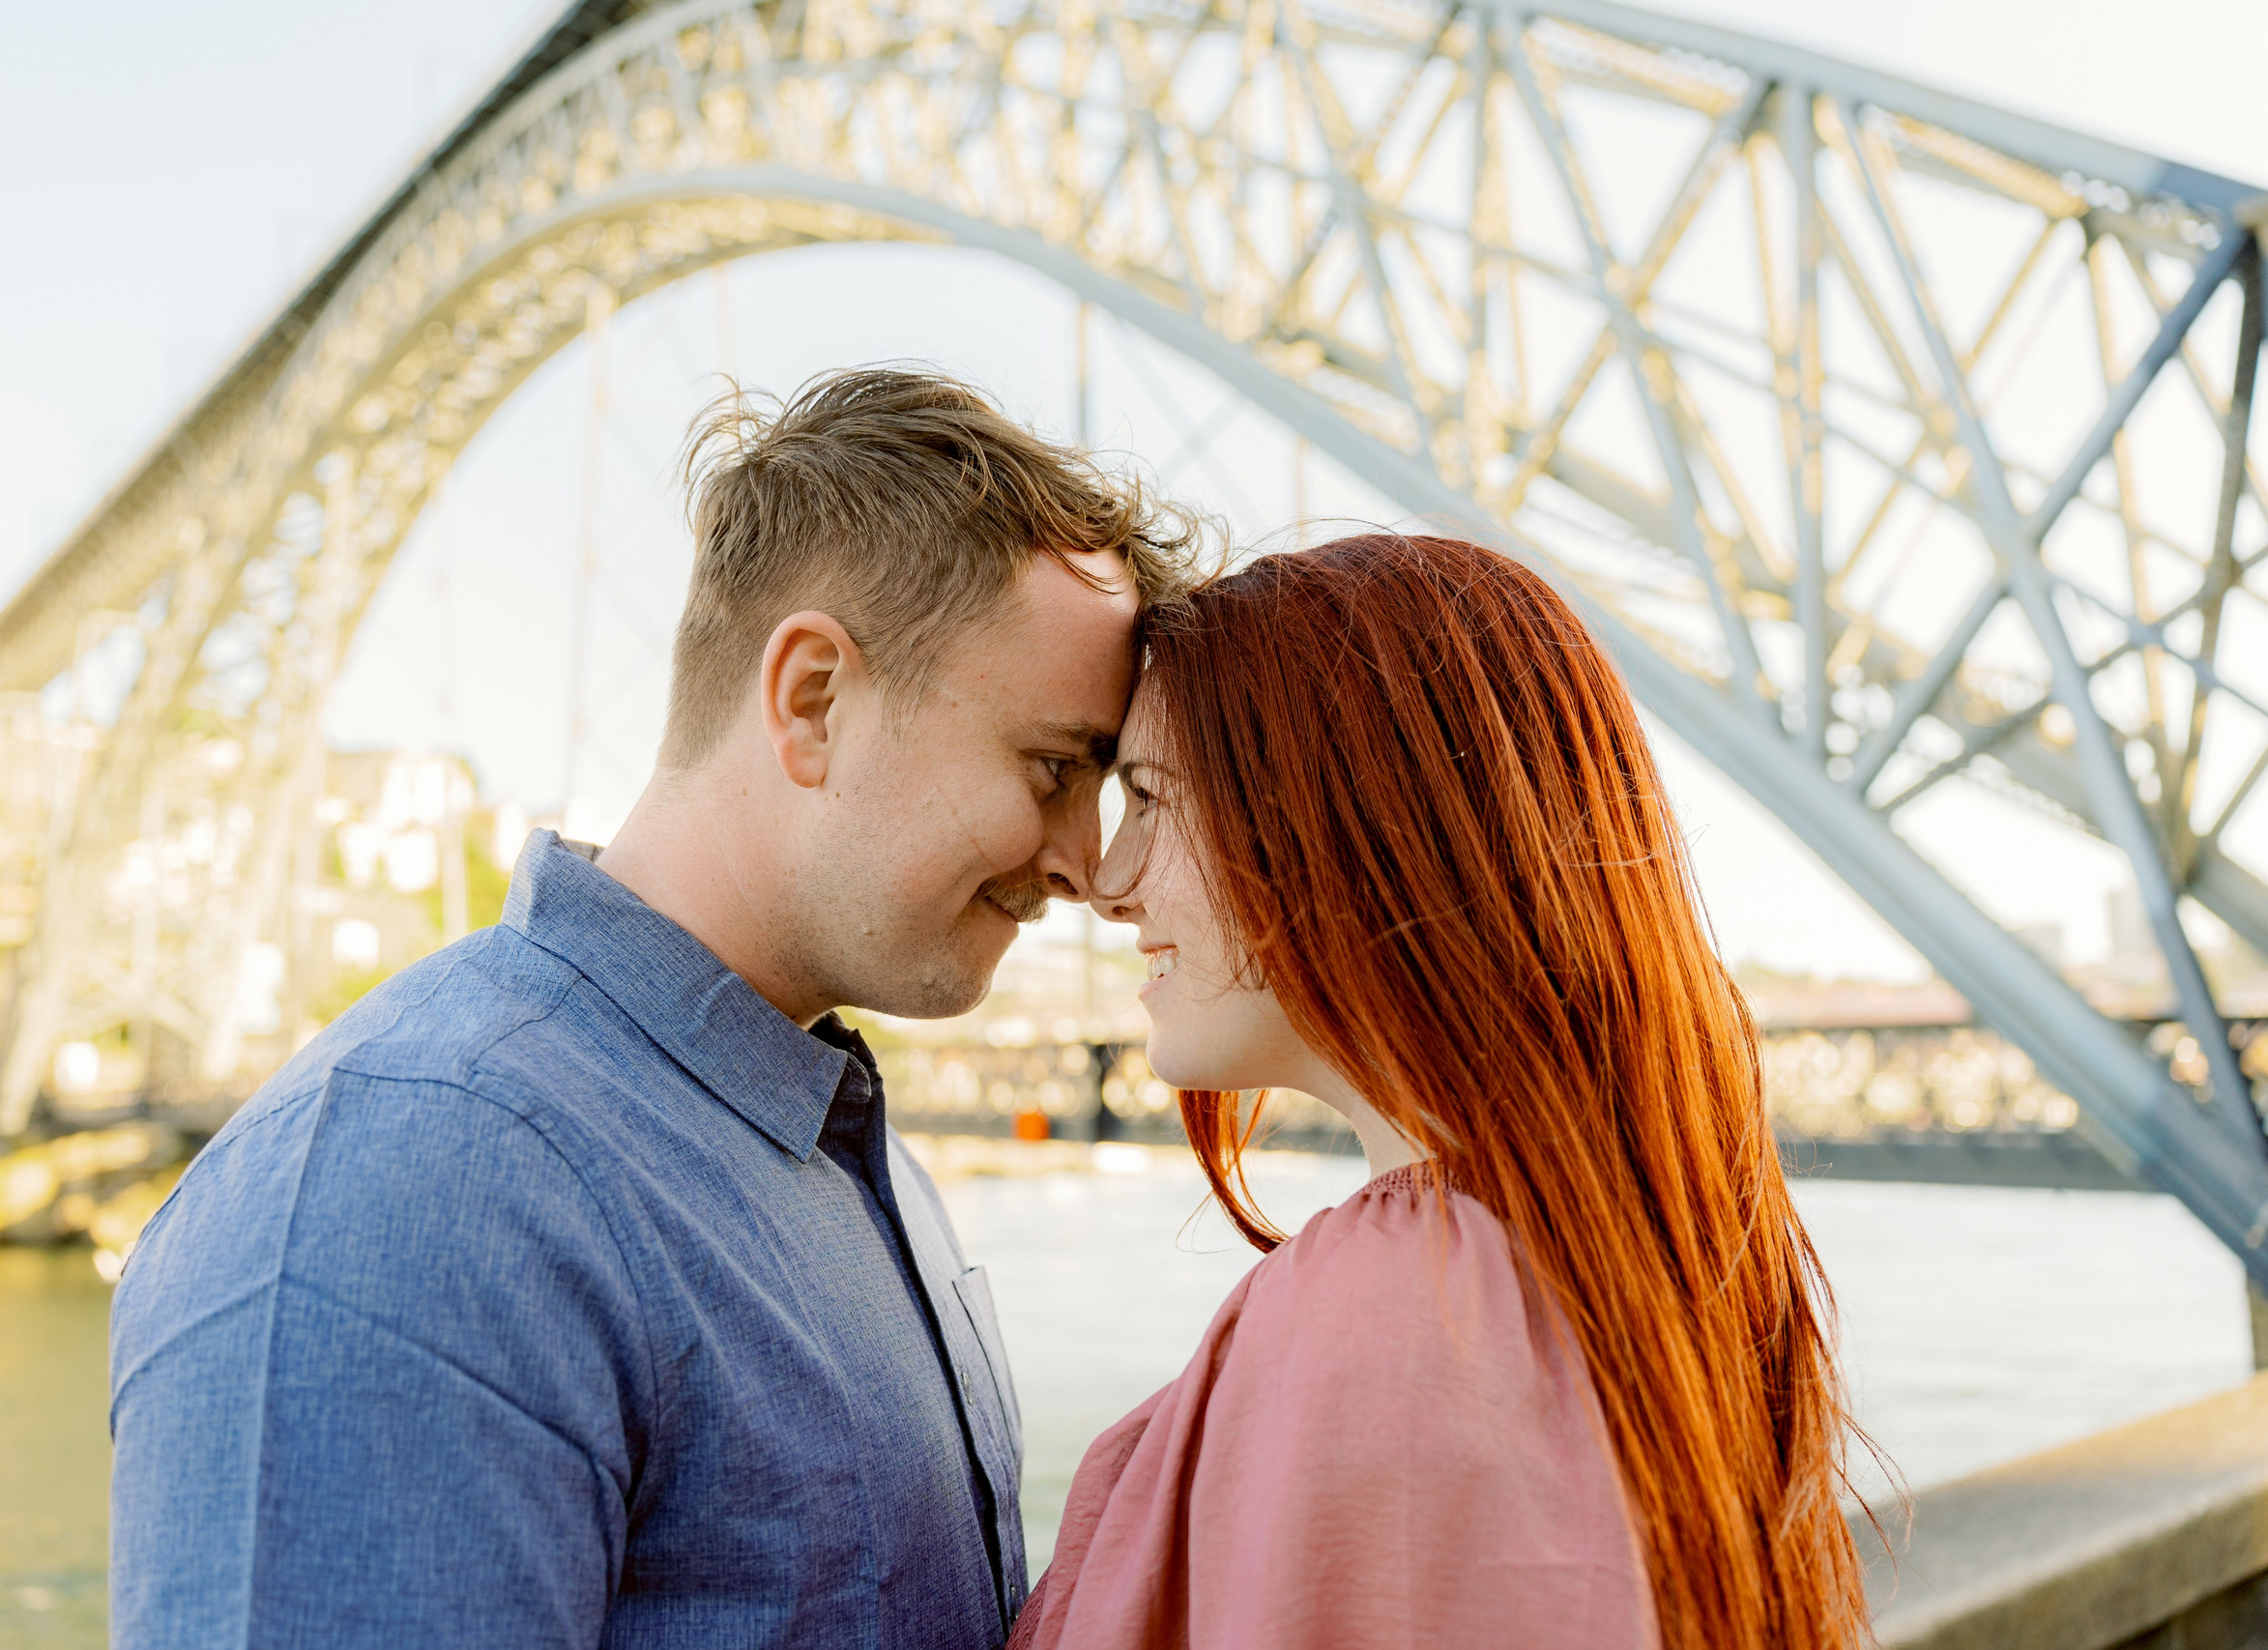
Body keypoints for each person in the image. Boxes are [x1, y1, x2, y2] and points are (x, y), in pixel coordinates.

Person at [107, 367, 1208, 1648]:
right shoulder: (414, 1187)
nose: (1087, 865)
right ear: (812, 698)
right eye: (1054, 767)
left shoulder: (831, 1145)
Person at [1013, 534, 1875, 1650]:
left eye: (1149, 798)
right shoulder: (1618, 1251)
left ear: (1348, 818)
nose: (1107, 880)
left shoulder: (1402, 1319)